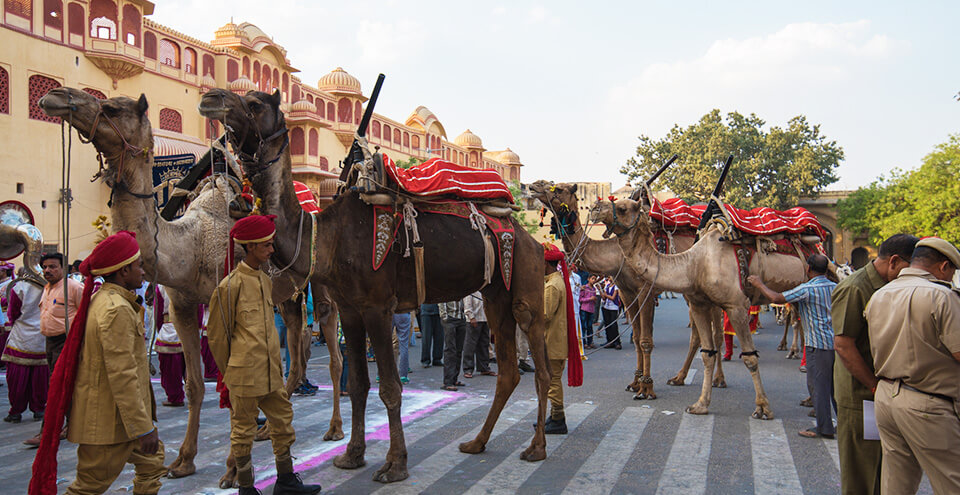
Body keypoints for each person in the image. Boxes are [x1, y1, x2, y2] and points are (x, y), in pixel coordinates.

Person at [29, 231, 165, 494]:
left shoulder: (107, 301)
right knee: (88, 487)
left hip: (120, 419)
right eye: (138, 265)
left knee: (152, 466)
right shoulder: (116, 310)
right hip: (110, 422)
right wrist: (143, 428)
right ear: (124, 271)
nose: (143, 271)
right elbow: (122, 375)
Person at [207, 215, 321, 495]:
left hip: (271, 373)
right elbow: (217, 339)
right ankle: (246, 488)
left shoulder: (264, 280)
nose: (271, 250)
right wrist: (234, 369)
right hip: (244, 375)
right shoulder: (229, 287)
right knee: (243, 433)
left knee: (282, 424)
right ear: (250, 247)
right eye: (266, 245)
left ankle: (285, 482)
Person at [865, 237, 960, 494]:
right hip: (928, 403)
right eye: (952, 270)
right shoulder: (942, 296)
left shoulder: (880, 294)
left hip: (887, 398)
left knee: (897, 484)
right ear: (943, 267)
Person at [831, 234, 917, 495]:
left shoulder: (888, 287)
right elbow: (843, 345)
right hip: (861, 395)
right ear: (893, 261)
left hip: (881, 392)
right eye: (909, 269)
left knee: (882, 470)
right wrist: (874, 386)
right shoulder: (856, 288)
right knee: (861, 474)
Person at [748, 254, 837, 439]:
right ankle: (844, 424)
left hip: (817, 345)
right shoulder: (836, 287)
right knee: (835, 387)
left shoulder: (807, 289)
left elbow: (776, 297)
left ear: (808, 269)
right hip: (836, 344)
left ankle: (824, 428)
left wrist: (759, 284)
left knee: (818, 387)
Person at [24, 253, 84, 447]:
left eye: (53, 267)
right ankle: (71, 425)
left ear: (63, 269)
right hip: (49, 342)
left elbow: (85, 314)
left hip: (66, 342)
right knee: (63, 386)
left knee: (56, 386)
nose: (48, 270)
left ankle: (48, 431)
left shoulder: (74, 287)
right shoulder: (47, 288)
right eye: (45, 267)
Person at [542, 244, 583, 434]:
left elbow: (545, 315)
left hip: (553, 341)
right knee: (552, 379)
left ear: (546, 264)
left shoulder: (552, 286)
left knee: (552, 380)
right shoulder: (557, 281)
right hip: (557, 340)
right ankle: (554, 416)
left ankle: (558, 418)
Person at [2, 271, 48, 422]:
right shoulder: (50, 287)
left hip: (21, 336)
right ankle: (39, 409)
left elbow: (13, 313)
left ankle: (16, 412)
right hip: (42, 335)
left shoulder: (20, 287)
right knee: (40, 377)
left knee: (17, 378)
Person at [154, 286, 186, 407]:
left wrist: (159, 327)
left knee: (170, 368)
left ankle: (175, 396)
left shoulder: (161, 286)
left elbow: (158, 311)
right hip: (187, 328)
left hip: (169, 328)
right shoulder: (188, 279)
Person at [462, 291, 495, 379]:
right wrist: (471, 317)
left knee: (484, 344)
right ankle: (468, 368)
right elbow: (467, 305)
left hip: (484, 319)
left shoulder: (485, 291)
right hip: (474, 320)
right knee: (470, 345)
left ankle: (484, 367)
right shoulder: (470, 290)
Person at [439, 299, 467, 391]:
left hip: (461, 318)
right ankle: (448, 382)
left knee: (458, 350)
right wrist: (444, 317)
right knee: (450, 350)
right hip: (450, 319)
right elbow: (441, 301)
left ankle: (454, 379)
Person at [419, 303, 443, 368]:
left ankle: (437, 359)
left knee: (439, 337)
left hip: (439, 311)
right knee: (426, 338)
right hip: (426, 312)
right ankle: (425, 359)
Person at [600, 276, 622, 349]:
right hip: (607, 306)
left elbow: (613, 297)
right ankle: (609, 341)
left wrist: (605, 294)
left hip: (614, 307)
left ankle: (617, 342)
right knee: (607, 324)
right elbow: (604, 297)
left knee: (613, 325)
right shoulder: (607, 285)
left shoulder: (616, 287)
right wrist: (600, 290)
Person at [578, 275, 598, 349]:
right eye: (592, 279)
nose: (594, 280)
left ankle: (590, 342)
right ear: (588, 279)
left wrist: (594, 299)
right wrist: (590, 299)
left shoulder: (594, 289)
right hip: (584, 309)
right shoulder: (584, 288)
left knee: (590, 326)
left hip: (591, 309)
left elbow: (594, 299)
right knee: (584, 326)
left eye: (595, 279)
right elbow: (580, 299)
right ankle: (584, 342)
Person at [392, 311, 412, 384]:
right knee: (404, 345)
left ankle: (381, 374)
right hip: (403, 311)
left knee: (385, 344)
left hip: (388, 311)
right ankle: (403, 376)